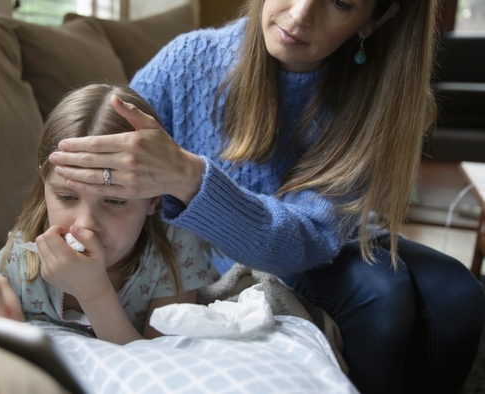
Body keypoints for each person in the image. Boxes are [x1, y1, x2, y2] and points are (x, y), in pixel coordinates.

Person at [46, 1, 485, 393]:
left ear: (373, 19)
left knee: (459, 294)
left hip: (313, 244)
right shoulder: (188, 61)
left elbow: (307, 240)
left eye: (340, 3)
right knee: (381, 296)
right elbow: (85, 167)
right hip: (222, 263)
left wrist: (191, 177)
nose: (299, 15)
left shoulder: (376, 97)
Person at [0, 84, 213, 345]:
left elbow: (162, 368)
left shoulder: (175, 249)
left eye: (114, 201)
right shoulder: (24, 255)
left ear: (154, 199)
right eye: (66, 197)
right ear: (45, 184)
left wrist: (92, 291)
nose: (85, 225)